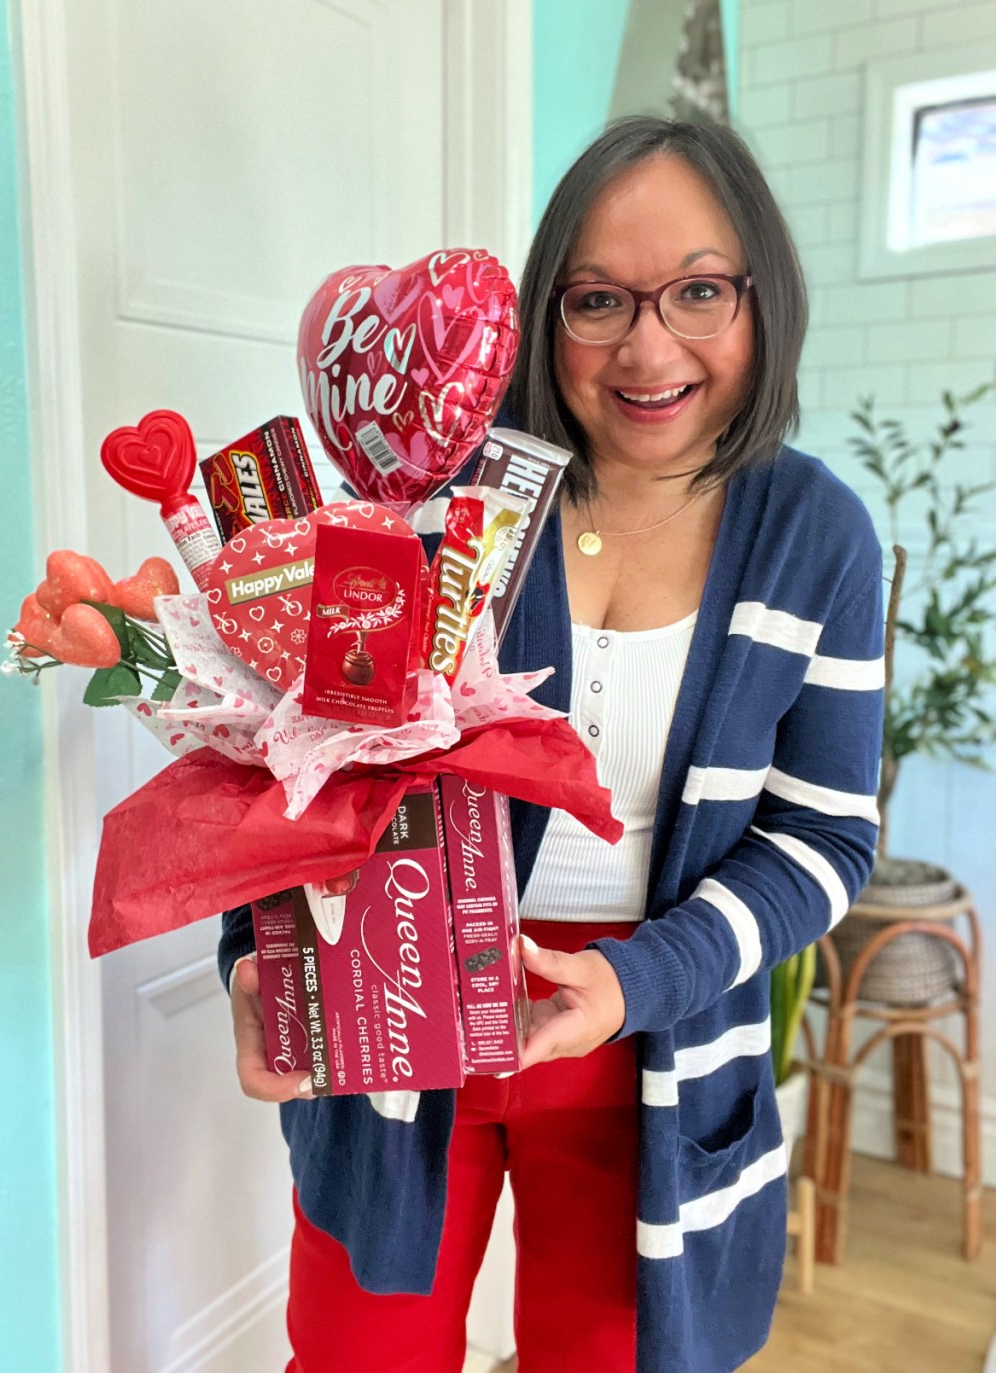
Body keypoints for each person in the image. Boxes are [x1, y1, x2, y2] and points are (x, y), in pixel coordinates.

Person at [221, 116, 884, 1373]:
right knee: (360, 1352)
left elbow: (825, 834)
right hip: (400, 1007)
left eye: (697, 290)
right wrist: (252, 968)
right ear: (544, 318)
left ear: (762, 299)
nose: (647, 346)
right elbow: (291, 752)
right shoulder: (443, 495)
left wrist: (637, 982)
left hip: (656, 1032)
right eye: (596, 300)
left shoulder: (818, 534)